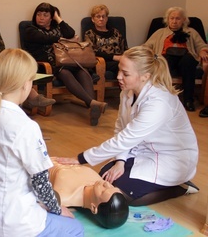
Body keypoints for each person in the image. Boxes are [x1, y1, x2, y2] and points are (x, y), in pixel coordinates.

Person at [56, 46, 199, 206]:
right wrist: (120, 162)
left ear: (145, 76)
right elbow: (121, 129)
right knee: (106, 176)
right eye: (119, 71)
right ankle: (141, 176)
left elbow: (125, 139)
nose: (118, 77)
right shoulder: (127, 92)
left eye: (125, 73)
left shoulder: (159, 102)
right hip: (145, 150)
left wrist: (81, 158)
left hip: (173, 158)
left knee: (122, 196)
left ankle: (181, 187)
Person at [0, 48, 83, 237]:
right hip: (12, 221)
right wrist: (57, 209)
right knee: (76, 228)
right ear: (26, 85)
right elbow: (41, 183)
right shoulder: (25, 126)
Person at [24, 2, 107, 126]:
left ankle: (92, 105)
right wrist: (66, 40)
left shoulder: (56, 28)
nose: (41, 17)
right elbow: (44, 39)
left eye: (46, 15)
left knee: (82, 71)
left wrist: (58, 18)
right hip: (45, 65)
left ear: (51, 17)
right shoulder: (30, 29)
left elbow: (70, 33)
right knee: (65, 72)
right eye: (39, 14)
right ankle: (92, 103)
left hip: (67, 61)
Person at [144, 6, 208, 112]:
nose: (174, 21)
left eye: (178, 18)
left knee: (188, 61)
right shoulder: (160, 32)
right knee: (164, 62)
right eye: (172, 18)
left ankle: (188, 100)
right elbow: (146, 46)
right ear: (167, 19)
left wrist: (202, 51)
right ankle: (163, 100)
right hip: (167, 58)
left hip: (185, 59)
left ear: (183, 20)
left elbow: (202, 45)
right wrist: (150, 54)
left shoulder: (191, 32)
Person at [49, 158, 129, 229]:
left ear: (94, 208)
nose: (106, 184)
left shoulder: (64, 196)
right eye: (112, 187)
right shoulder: (98, 182)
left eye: (103, 191)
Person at [84, 4, 128, 80]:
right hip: (101, 62)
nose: (101, 19)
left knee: (128, 65)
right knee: (123, 66)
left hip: (119, 60)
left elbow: (124, 48)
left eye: (103, 16)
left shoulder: (116, 32)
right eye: (98, 16)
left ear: (107, 18)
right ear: (93, 19)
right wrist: (114, 57)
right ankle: (127, 91)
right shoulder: (89, 34)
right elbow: (92, 52)